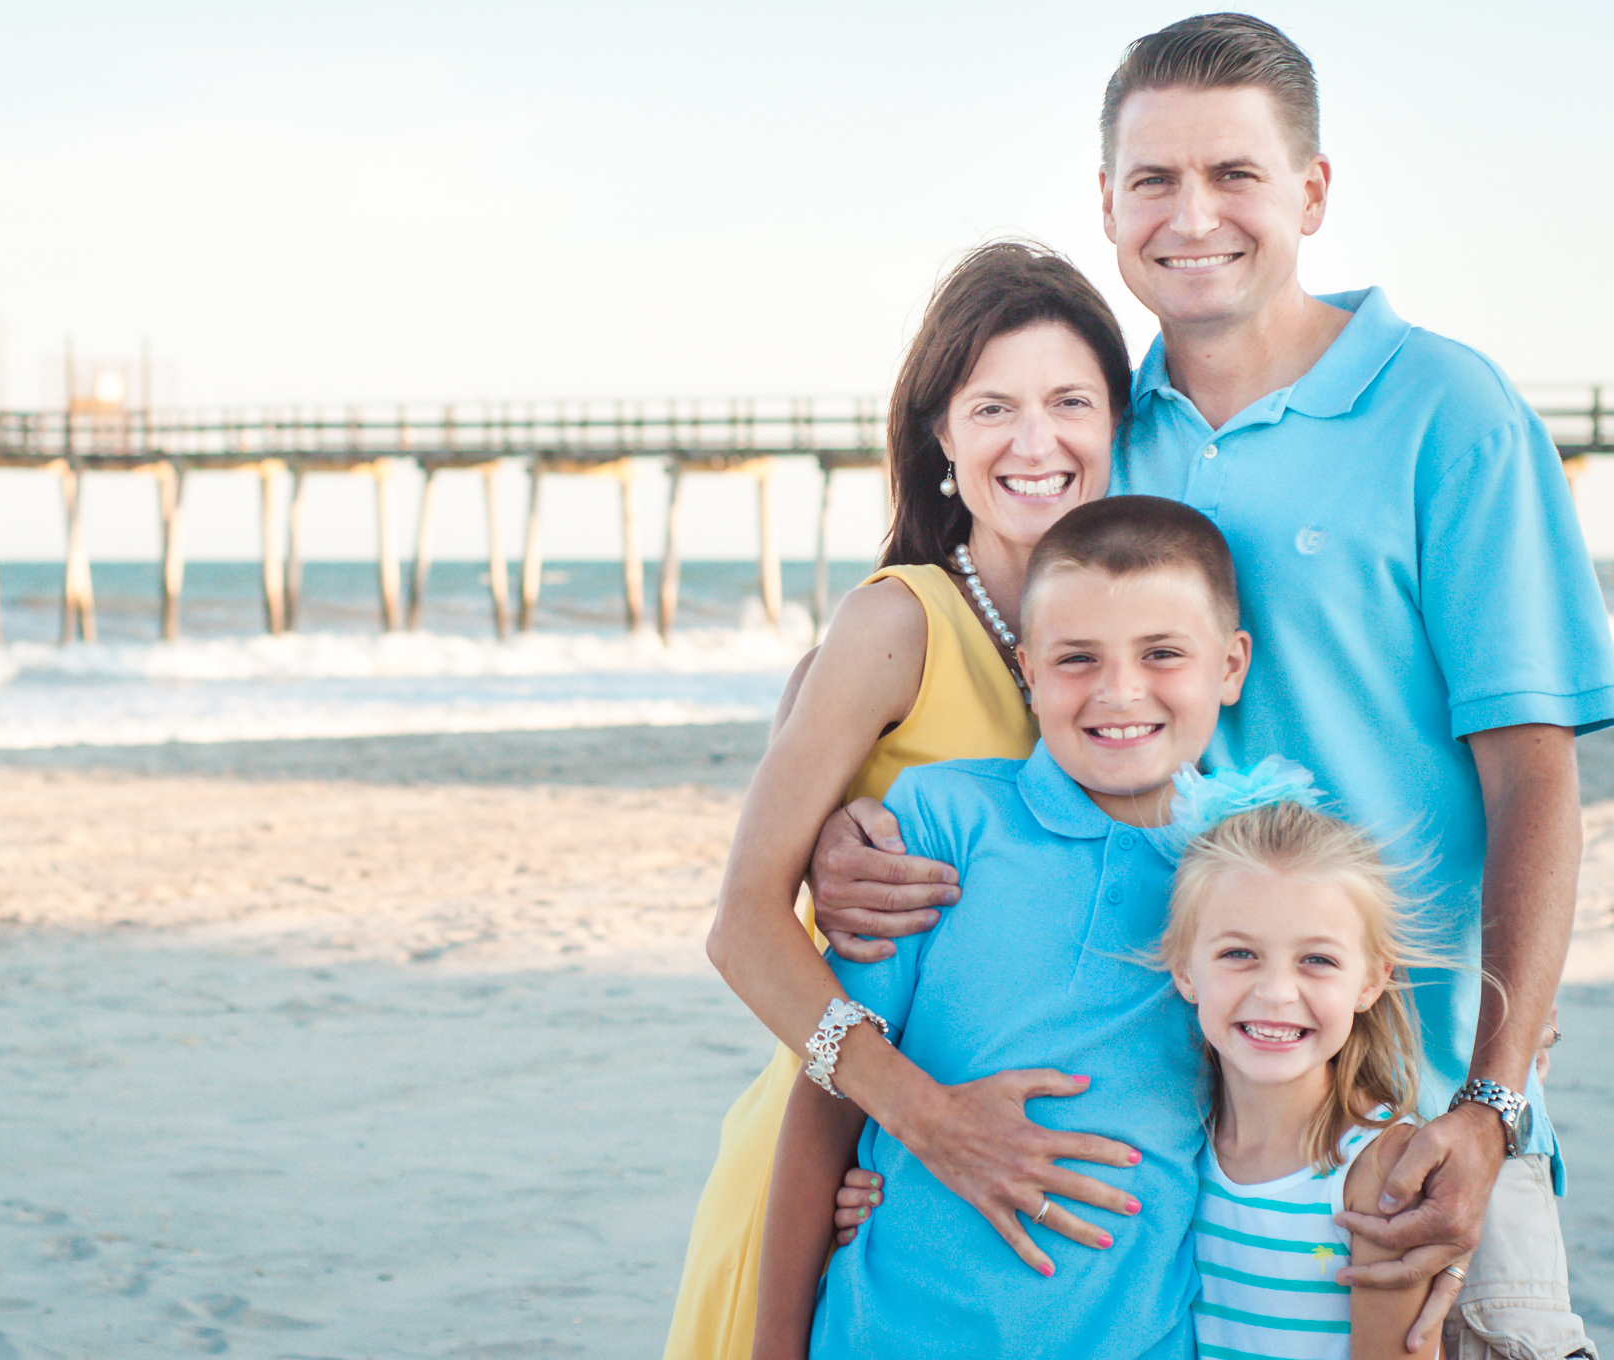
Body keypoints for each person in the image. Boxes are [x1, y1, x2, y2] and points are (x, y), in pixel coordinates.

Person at [809, 16, 1614, 1354]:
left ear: (1311, 192)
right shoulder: (1100, 439)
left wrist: (1494, 1109)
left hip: (1413, 1106)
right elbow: (985, 648)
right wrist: (856, 817)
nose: (1194, 216)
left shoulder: (1449, 410)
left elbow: (1535, 778)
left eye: (1234, 174)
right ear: (1110, 208)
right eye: (1154, 181)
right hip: (1181, 1120)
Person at [662, 240, 1133, 1360]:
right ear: (938, 434)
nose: (1034, 442)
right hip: (826, 1180)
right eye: (991, 407)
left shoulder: (1129, 654)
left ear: (1117, 419)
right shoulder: (896, 624)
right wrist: (922, 1122)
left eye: (1069, 400)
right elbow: (741, 926)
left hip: (1010, 1220)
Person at [752, 494, 1251, 1359]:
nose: (1118, 692)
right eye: (1076, 659)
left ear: (1231, 666)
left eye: (1163, 654)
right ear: (1026, 668)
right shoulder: (945, 821)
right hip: (886, 1334)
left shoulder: (1252, 862)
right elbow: (827, 1088)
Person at [1160, 778, 1445, 1359]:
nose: (1276, 993)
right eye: (1239, 954)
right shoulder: (1179, 1138)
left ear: (1370, 980)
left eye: (1316, 960)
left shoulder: (1379, 1167)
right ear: (1184, 969)